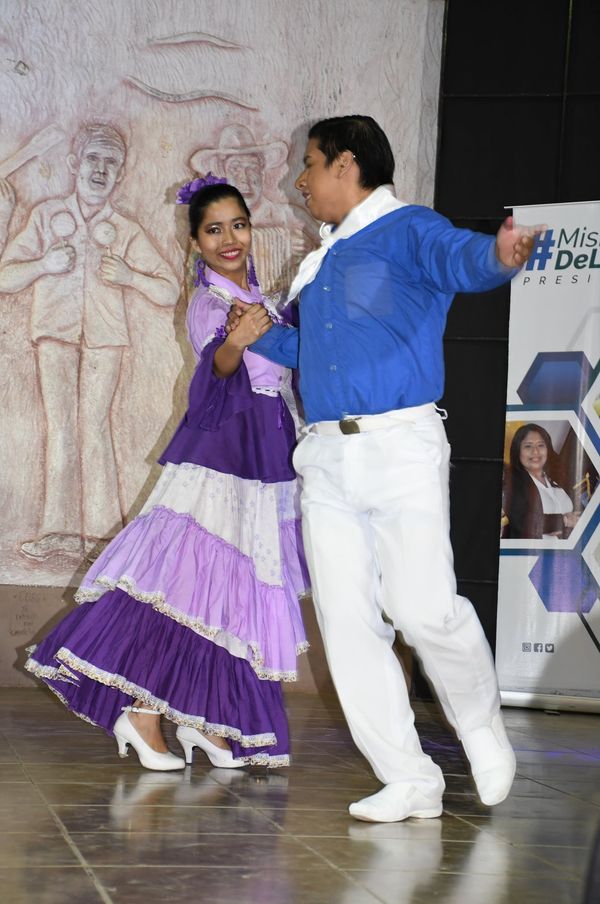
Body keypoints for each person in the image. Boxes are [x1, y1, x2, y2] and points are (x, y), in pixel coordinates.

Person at [228, 115, 538, 822]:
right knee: (346, 624)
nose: (300, 180)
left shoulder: (408, 229)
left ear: (345, 164)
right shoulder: (324, 260)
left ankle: (480, 725)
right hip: (326, 457)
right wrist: (262, 336)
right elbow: (320, 356)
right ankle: (408, 777)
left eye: (309, 164)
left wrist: (499, 256)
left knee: (424, 609)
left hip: (400, 447)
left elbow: (464, 260)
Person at [25, 174, 309, 770]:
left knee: (232, 590)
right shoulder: (210, 303)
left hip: (267, 453)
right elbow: (218, 367)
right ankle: (141, 712)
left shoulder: (261, 297)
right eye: (214, 230)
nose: (229, 239)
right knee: (180, 584)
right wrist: (236, 340)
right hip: (225, 454)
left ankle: (203, 722)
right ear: (195, 242)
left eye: (237, 225)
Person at [0, 123, 179, 560]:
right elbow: (6, 276)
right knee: (61, 427)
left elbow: (169, 289)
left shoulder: (125, 228)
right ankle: (58, 531)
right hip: (55, 333)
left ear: (121, 173)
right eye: (93, 159)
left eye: (111, 162)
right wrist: (43, 264)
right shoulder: (46, 216)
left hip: (105, 338)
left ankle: (102, 534)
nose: (100, 169)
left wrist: (131, 277)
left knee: (95, 427)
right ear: (73, 163)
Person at [502, 423, 580, 540]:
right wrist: (565, 520)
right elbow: (523, 522)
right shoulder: (511, 482)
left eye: (540, 445)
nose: (535, 451)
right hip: (532, 551)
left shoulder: (558, 478)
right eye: (528, 446)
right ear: (517, 451)